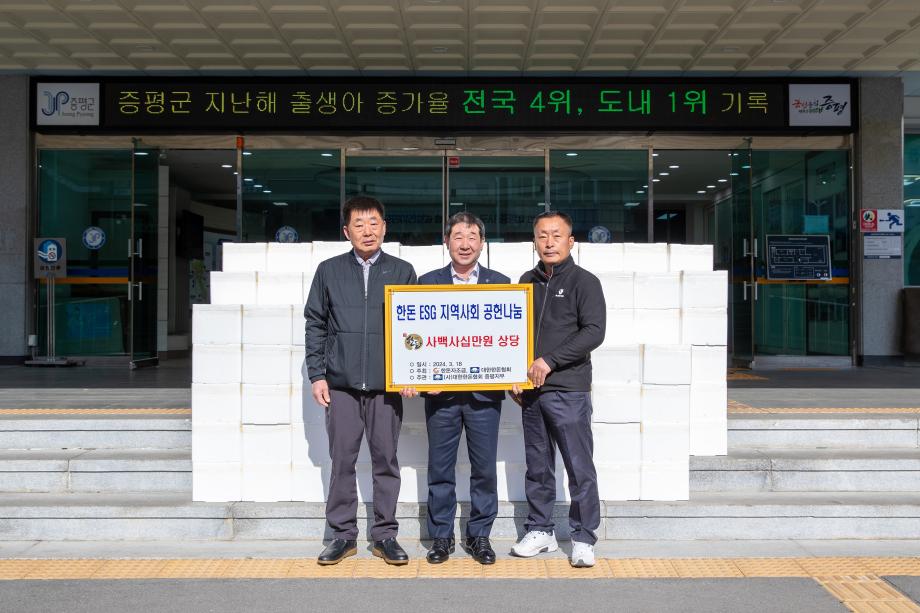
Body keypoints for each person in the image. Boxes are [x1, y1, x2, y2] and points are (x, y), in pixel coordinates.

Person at [305, 195, 417, 566]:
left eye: (374, 223)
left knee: (386, 461)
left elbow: (414, 330)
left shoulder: (403, 271)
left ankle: (385, 535)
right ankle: (342, 535)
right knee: (342, 461)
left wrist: (411, 373)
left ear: (385, 228)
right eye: (359, 224)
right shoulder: (328, 270)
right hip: (341, 385)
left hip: (387, 388)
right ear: (346, 231)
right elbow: (316, 324)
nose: (367, 231)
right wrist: (317, 374)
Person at [403, 212, 510, 565]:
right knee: (440, 469)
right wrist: (415, 379)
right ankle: (442, 537)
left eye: (473, 236)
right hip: (441, 397)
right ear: (446, 241)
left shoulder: (501, 283)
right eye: (458, 236)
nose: (465, 243)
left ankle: (480, 536)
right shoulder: (426, 283)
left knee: (484, 470)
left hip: (485, 397)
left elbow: (509, 340)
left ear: (483, 243)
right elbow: (413, 337)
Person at [510, 211, 606, 568]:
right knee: (537, 466)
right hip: (530, 392)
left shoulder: (585, 282)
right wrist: (512, 376)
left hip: (568, 389)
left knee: (579, 466)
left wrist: (549, 361)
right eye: (542, 236)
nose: (549, 242)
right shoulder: (525, 281)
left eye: (556, 235)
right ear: (534, 241)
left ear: (571, 241)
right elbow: (513, 334)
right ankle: (541, 530)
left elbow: (593, 331)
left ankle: (583, 537)